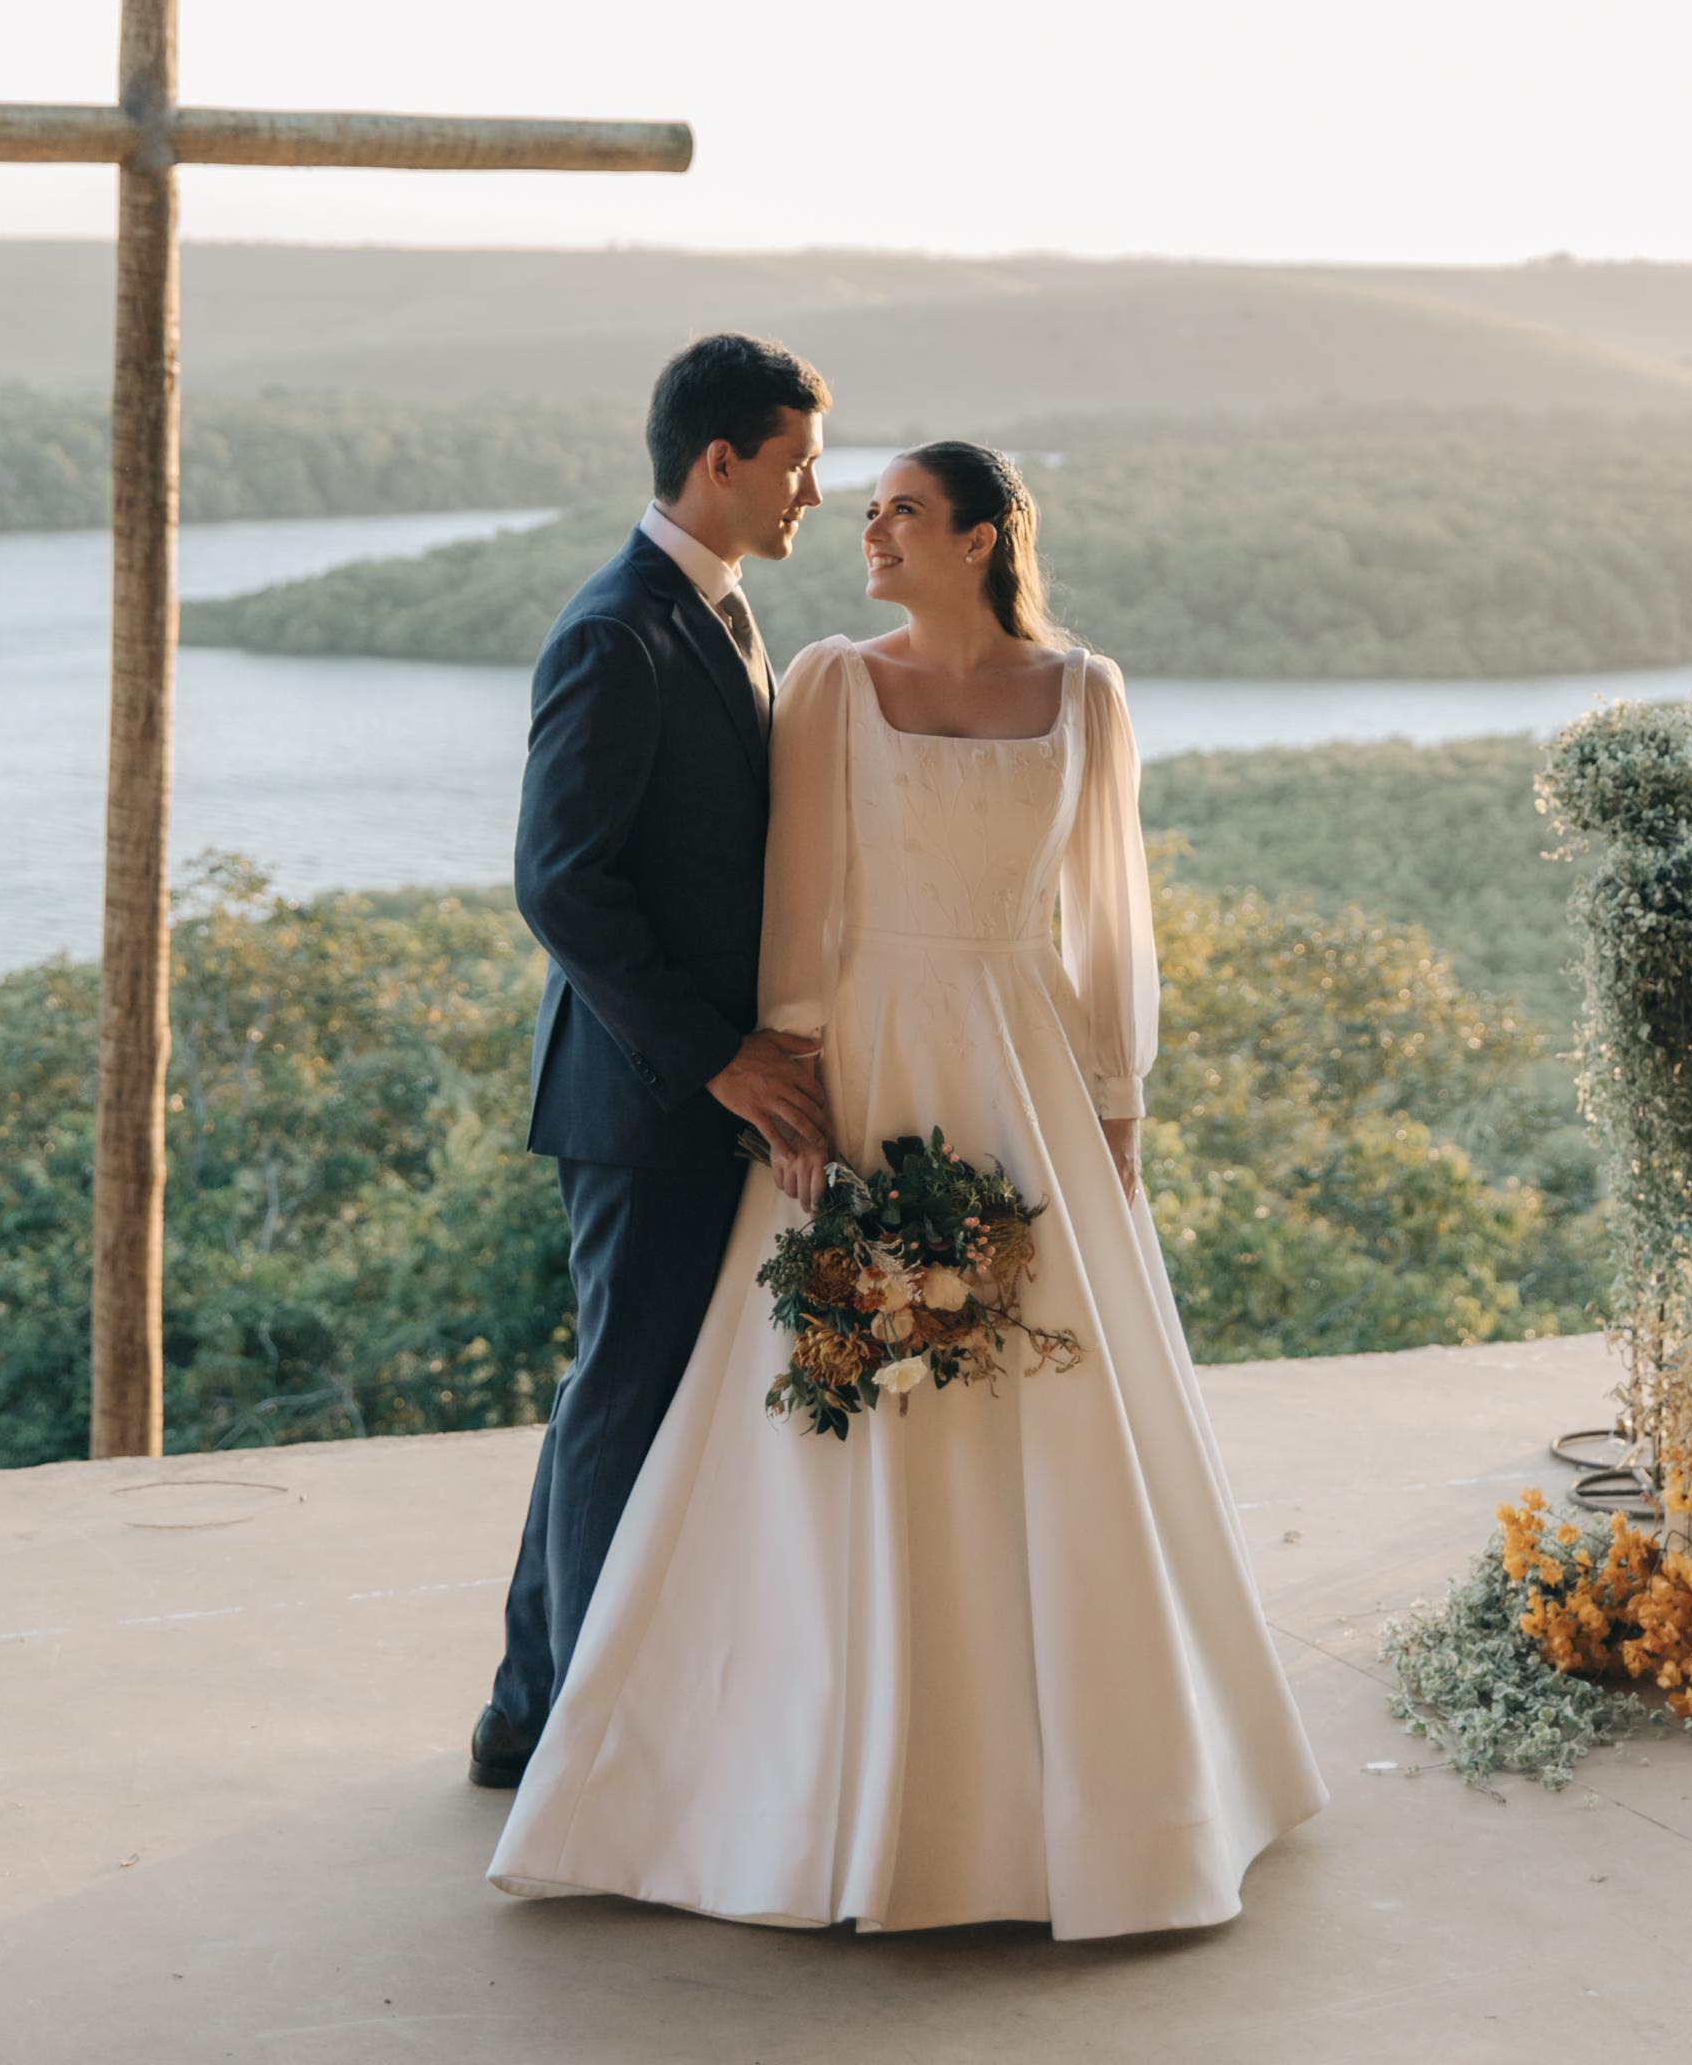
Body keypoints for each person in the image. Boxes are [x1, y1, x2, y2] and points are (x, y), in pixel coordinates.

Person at [488, 441, 1327, 1935]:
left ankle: (1081, 1787)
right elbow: (799, 897)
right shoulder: (827, 679)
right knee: (832, 1390)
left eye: (899, 512)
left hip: (1032, 1064)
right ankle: (776, 1767)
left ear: (987, 538)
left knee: (1060, 1398)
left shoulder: (1088, 692)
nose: (865, 528)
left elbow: (1109, 914)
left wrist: (1119, 1100)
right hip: (869, 1054)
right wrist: (792, 1082)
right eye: (858, 504)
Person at [469, 329, 833, 1793]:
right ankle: (570, 1737)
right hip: (643, 1096)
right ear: (721, 458)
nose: (814, 492)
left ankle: (528, 1709)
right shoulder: (617, 629)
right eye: (798, 464)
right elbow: (561, 882)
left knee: (622, 1396)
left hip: (690, 1091)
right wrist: (717, 1063)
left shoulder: (724, 613)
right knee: (624, 1398)